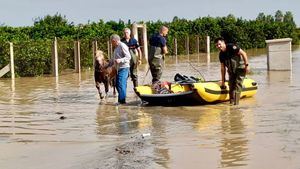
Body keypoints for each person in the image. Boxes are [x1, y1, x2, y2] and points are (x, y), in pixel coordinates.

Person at [214, 37, 250, 105]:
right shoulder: (221, 55)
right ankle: (231, 103)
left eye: (219, 44)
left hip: (240, 69)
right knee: (231, 86)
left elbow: (244, 53)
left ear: (223, 43)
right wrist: (223, 82)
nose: (218, 46)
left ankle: (236, 105)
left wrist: (246, 66)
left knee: (237, 85)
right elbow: (223, 68)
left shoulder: (231, 47)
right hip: (231, 71)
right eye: (216, 45)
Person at [109, 34, 131, 104]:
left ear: (114, 40)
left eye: (111, 42)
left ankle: (121, 102)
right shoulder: (116, 47)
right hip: (118, 69)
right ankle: (123, 99)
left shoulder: (122, 45)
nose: (111, 43)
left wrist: (120, 60)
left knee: (120, 84)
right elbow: (114, 59)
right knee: (118, 84)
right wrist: (109, 63)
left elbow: (128, 57)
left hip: (124, 68)